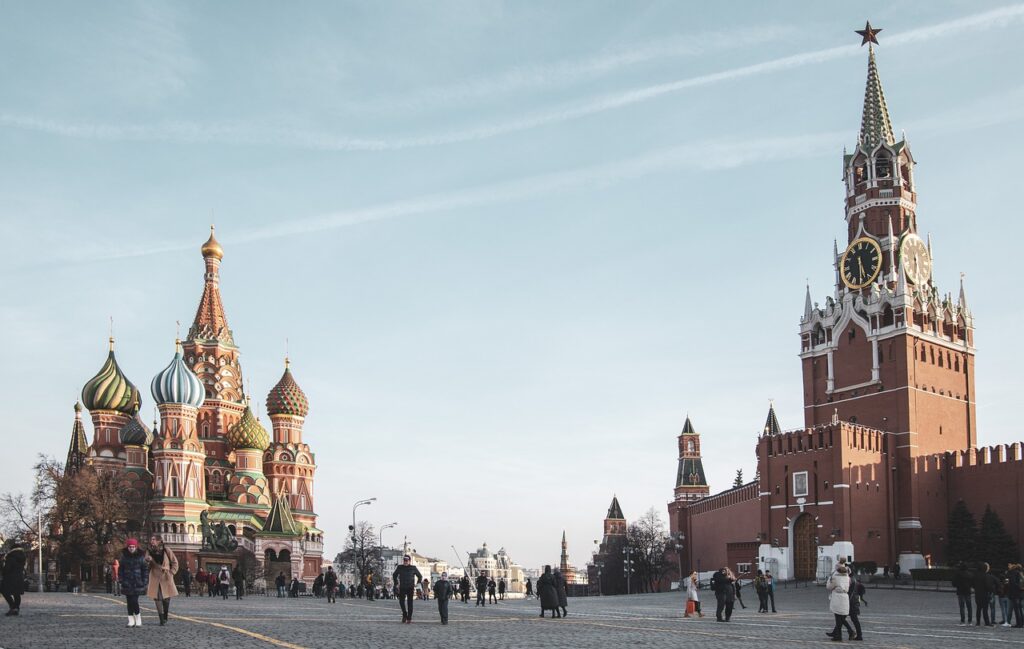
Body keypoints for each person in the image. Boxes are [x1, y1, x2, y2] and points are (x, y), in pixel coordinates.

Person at [145, 535, 179, 626]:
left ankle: (165, 616)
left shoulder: (166, 549)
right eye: (151, 539)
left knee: (166, 598)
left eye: (154, 539)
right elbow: (145, 563)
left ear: (159, 541)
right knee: (157, 598)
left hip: (166, 575)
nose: (152, 541)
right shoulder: (149, 550)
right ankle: (161, 619)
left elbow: (174, 562)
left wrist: (172, 572)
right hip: (155, 576)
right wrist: (148, 561)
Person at [118, 538, 148, 628]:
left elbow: (145, 570)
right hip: (127, 582)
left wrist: (144, 581)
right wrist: (121, 580)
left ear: (136, 547)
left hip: (137, 582)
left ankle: (138, 618)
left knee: (134, 601)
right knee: (129, 602)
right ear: (127, 547)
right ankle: (131, 620)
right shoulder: (124, 558)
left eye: (133, 547)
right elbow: (121, 570)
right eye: (130, 547)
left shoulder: (140, 557)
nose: (131, 548)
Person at [826, 565, 855, 641]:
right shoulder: (847, 578)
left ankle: (844, 633)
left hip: (838, 599)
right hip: (845, 599)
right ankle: (840, 634)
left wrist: (830, 578)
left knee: (839, 618)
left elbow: (829, 586)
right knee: (840, 619)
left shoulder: (836, 578)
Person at [393, 555, 423, 623]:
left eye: (407, 561)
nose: (405, 562)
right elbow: (394, 575)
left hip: (410, 587)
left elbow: (420, 576)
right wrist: (396, 583)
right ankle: (404, 614)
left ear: (409, 561)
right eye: (404, 560)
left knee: (410, 603)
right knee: (401, 602)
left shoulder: (413, 568)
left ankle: (409, 617)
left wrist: (418, 584)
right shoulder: (400, 567)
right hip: (402, 587)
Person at [1, 544, 26, 617]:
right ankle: (16, 608)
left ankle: (12, 607)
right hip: (19, 577)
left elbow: (7, 569)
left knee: (4, 591)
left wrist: (2, 566)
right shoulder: (23, 556)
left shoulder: (10, 556)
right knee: (16, 594)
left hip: (10, 578)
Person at [975, 562, 999, 627]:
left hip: (977, 594)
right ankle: (987, 622)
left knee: (978, 609)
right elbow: (988, 585)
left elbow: (973, 584)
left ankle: (978, 622)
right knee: (985, 609)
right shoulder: (985, 576)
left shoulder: (976, 575)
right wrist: (991, 590)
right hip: (984, 594)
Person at [951, 562, 973, 626]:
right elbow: (972, 583)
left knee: (962, 607)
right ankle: (970, 621)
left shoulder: (957, 574)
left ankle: (963, 621)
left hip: (960, 591)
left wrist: (958, 585)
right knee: (969, 606)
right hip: (968, 591)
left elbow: (954, 583)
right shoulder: (970, 574)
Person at [847, 574, 864, 640]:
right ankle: (858, 634)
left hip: (852, 603)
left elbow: (851, 594)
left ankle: (857, 634)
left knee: (842, 618)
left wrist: (847, 602)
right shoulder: (853, 579)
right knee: (841, 618)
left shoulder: (852, 581)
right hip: (854, 602)